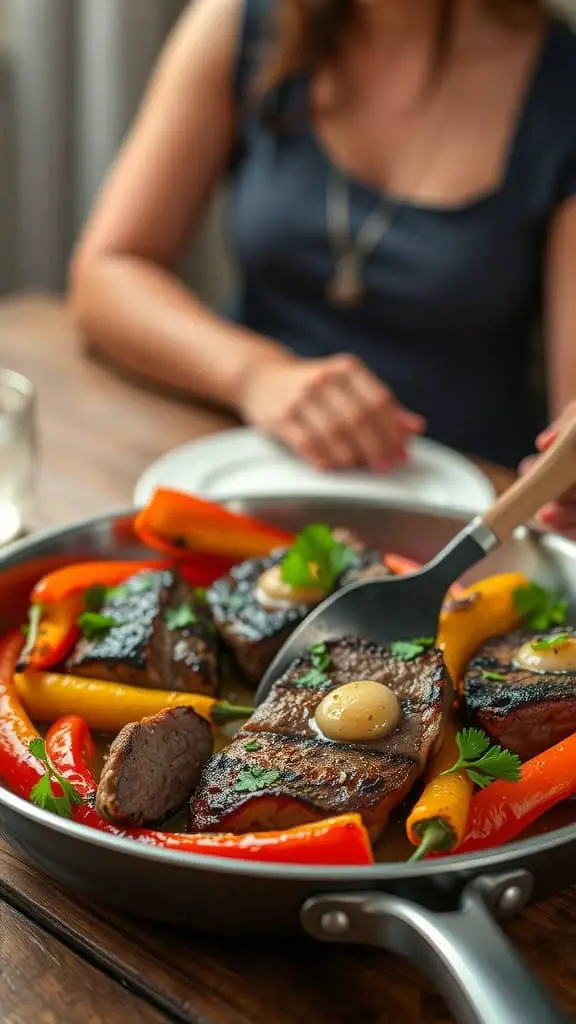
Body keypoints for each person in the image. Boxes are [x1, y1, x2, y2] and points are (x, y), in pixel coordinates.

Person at [69, 0, 576, 531]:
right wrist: (257, 374)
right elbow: (109, 271)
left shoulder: (562, 85)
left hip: (464, 513)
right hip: (249, 469)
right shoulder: (240, 21)